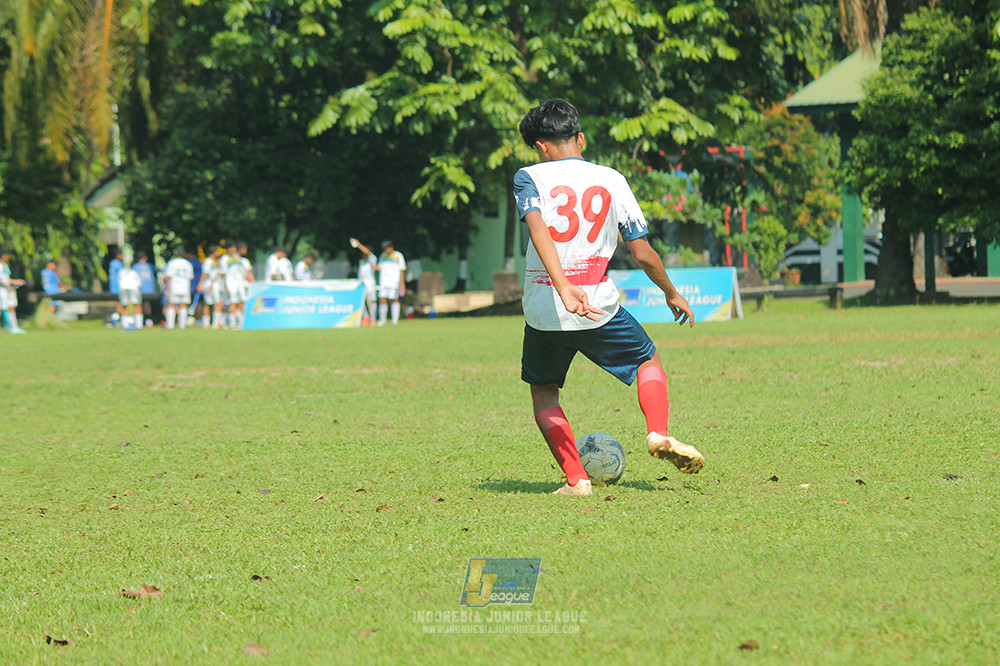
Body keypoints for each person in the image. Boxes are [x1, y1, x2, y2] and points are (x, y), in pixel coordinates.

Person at [512, 99, 704, 497]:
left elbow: (537, 229)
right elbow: (641, 250)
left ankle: (576, 480)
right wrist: (670, 292)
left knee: (544, 393)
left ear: (541, 147)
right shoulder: (612, 179)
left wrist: (563, 287)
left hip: (546, 312)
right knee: (647, 359)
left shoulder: (528, 177)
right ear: (580, 138)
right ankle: (657, 433)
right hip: (599, 308)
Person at [163, 246, 195, 330]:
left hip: (174, 286)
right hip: (185, 286)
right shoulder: (188, 264)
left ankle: (170, 325)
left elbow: (168, 277)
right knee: (183, 305)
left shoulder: (172, 263)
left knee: (171, 304)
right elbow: (190, 277)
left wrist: (167, 289)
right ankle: (182, 325)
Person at [196, 245, 227, 328]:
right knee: (209, 303)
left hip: (215, 284)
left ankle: (215, 323)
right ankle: (208, 324)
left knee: (215, 303)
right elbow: (205, 273)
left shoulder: (216, 262)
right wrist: (201, 284)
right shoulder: (208, 261)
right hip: (210, 284)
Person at [376, 239, 406, 326]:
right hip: (384, 281)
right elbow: (380, 267)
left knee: (394, 299)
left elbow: (402, 270)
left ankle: (395, 320)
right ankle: (383, 320)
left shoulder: (398, 255)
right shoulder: (383, 256)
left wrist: (402, 284)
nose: (385, 250)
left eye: (386, 248)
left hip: (394, 282)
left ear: (391, 247)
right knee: (382, 299)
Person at [224, 243, 254, 328]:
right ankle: (233, 324)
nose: (245, 251)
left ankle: (241, 323)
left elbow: (248, 273)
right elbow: (225, 274)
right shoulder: (228, 259)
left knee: (242, 303)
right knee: (233, 302)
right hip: (232, 283)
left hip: (242, 284)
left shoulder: (244, 261)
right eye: (244, 249)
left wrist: (253, 283)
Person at [350, 239, 378, 326]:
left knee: (372, 301)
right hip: (361, 283)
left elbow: (367, 252)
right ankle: (366, 317)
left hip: (370, 284)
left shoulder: (372, 258)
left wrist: (358, 245)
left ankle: (373, 319)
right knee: (362, 301)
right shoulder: (362, 262)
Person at [0, 250, 27, 334]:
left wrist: (16, 282)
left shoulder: (5, 265)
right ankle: (11, 327)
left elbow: (6, 279)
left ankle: (13, 327)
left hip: (7, 291)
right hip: (2, 291)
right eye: (7, 255)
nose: (8, 257)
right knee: (2, 308)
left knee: (11, 307)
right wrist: (7, 286)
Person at [117, 262, 144, 330]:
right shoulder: (134, 272)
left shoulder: (121, 272)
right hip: (133, 288)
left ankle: (125, 325)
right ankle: (139, 325)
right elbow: (139, 283)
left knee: (124, 306)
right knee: (137, 305)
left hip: (123, 288)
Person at [133, 252, 157, 325]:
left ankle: (142, 320)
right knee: (148, 304)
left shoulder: (135, 267)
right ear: (145, 258)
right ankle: (148, 320)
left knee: (140, 304)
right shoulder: (150, 266)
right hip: (150, 289)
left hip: (140, 289)